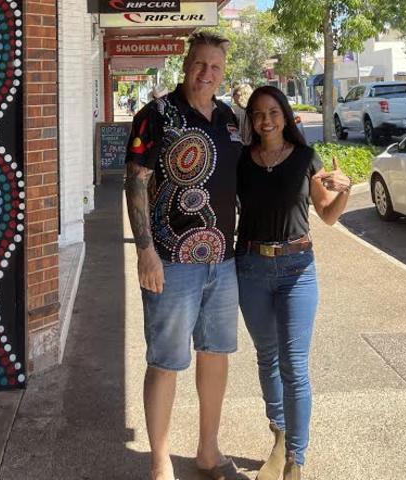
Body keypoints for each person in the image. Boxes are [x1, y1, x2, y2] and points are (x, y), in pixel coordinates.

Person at [124, 32, 248, 480]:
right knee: (166, 360)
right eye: (199, 64)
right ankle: (160, 462)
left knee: (215, 354)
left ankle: (207, 452)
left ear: (222, 72)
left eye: (215, 67)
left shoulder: (231, 119)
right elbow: (136, 182)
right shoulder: (156, 115)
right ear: (185, 64)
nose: (206, 74)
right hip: (171, 261)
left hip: (223, 262)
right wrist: (145, 252)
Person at [236, 86, 351, 480]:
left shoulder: (304, 158)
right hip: (250, 267)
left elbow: (328, 215)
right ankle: (279, 434)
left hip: (297, 270)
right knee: (266, 358)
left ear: (284, 116)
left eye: (272, 112)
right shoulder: (242, 161)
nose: (265, 120)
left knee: (294, 365)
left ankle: (294, 460)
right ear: (250, 120)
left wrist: (345, 191)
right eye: (257, 113)